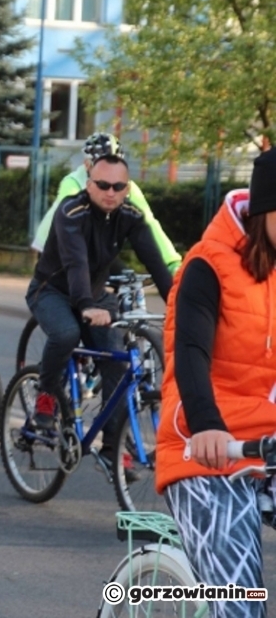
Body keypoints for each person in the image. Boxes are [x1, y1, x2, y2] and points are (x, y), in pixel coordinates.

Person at [156, 150, 276, 618]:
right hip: (208, 447)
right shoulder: (209, 265)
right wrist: (206, 424)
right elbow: (189, 351)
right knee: (241, 605)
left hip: (267, 442)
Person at [27, 151, 172, 478]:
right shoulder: (71, 211)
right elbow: (76, 261)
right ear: (89, 183)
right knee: (66, 334)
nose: (110, 192)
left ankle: (110, 451)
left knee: (119, 363)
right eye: (103, 184)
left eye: (118, 186)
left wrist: (178, 305)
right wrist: (85, 305)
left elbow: (156, 264)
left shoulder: (130, 215)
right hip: (52, 291)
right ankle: (46, 394)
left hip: (94, 295)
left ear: (127, 188)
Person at [32, 132, 183, 273]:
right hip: (56, 250)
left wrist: (172, 263)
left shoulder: (127, 187)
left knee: (128, 283)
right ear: (87, 165)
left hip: (96, 250)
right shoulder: (73, 183)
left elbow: (149, 223)